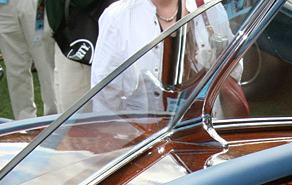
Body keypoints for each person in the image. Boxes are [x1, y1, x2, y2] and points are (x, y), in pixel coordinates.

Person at [90, 0, 236, 114]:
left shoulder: (210, 7)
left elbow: (233, 66)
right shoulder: (117, 18)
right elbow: (105, 96)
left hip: (203, 132)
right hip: (144, 139)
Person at [0, 0, 56, 119]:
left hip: (33, 4)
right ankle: (24, 123)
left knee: (45, 63)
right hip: (0, 5)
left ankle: (54, 120)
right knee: (15, 68)